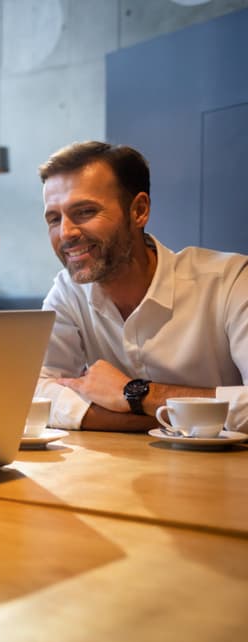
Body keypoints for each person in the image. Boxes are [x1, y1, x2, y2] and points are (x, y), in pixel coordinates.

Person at [34, 140, 248, 432]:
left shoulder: (230, 281)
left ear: (139, 211)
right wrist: (149, 417)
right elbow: (37, 391)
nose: (66, 232)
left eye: (85, 211)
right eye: (54, 218)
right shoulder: (68, 293)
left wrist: (137, 393)